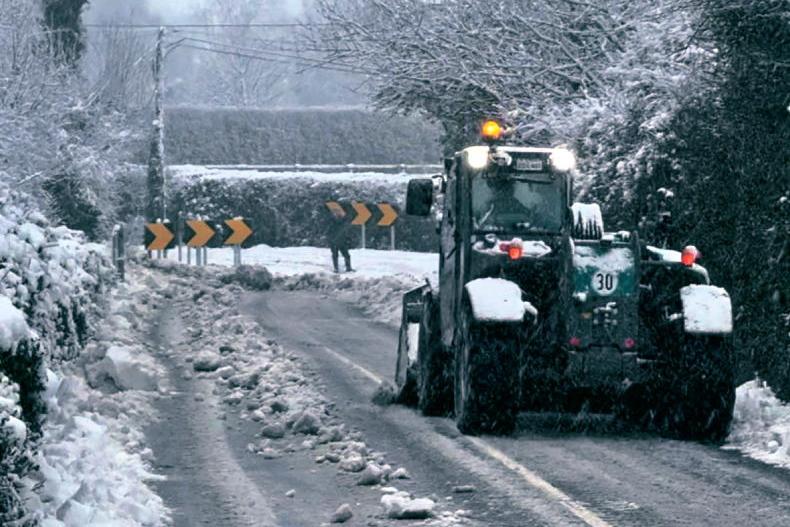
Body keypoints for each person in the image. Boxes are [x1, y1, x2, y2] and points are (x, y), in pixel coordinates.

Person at [328, 206, 353, 273]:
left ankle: (348, 268)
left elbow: (346, 231)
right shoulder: (332, 221)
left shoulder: (344, 221)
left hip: (342, 241)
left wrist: (348, 239)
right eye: (337, 212)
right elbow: (329, 231)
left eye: (340, 212)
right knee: (336, 255)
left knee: (346, 255)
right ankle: (336, 268)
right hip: (335, 241)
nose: (339, 213)